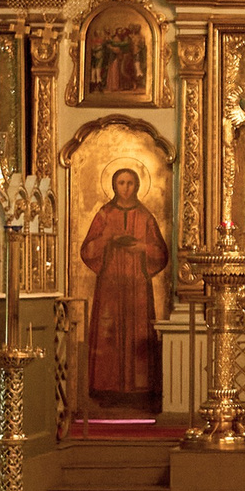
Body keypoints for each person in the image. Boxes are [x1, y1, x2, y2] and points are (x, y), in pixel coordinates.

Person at [82, 168, 170, 410]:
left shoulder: (145, 217)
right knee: (109, 333)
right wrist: (106, 238)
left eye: (130, 183)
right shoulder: (104, 214)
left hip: (137, 285)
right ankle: (106, 389)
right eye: (121, 182)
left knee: (136, 331)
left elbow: (161, 254)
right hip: (110, 285)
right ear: (113, 185)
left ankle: (140, 391)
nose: (126, 187)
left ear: (138, 185)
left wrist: (143, 247)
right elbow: (87, 251)